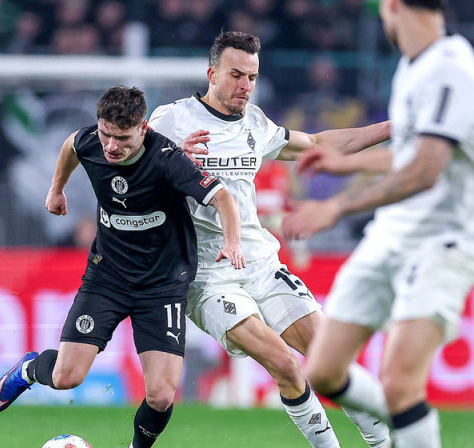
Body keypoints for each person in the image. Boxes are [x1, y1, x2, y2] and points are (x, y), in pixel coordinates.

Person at [148, 31, 392, 448]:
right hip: (207, 276)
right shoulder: (170, 120)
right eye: (236, 75)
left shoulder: (255, 124)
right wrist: (165, 161)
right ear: (212, 74)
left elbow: (318, 143)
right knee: (285, 364)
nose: (245, 85)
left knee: (330, 359)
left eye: (252, 77)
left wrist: (391, 127)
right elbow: (125, 169)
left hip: (260, 262)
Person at [282, 1, 474, 447]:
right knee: (324, 369)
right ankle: (413, 424)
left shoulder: (452, 69)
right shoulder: (412, 65)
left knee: (400, 382)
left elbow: (424, 170)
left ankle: (410, 421)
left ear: (394, 6)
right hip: (393, 232)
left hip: (446, 239)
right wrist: (347, 164)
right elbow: (409, 151)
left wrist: (337, 207)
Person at [0, 86, 246, 448]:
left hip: (162, 286)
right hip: (107, 278)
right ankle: (29, 368)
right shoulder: (91, 142)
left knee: (161, 395)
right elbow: (71, 145)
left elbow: (222, 197)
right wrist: (56, 189)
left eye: (122, 138)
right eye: (105, 134)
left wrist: (232, 242)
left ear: (143, 128)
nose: (111, 146)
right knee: (65, 377)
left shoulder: (168, 160)